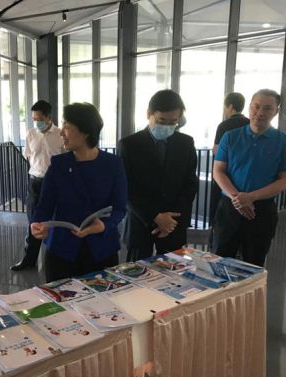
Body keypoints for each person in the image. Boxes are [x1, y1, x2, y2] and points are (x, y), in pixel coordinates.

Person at [30, 102, 127, 282]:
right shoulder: (58, 164)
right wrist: (36, 223)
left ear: (85, 131)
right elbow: (45, 205)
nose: (61, 132)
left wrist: (105, 225)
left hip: (101, 248)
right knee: (60, 297)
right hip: (62, 249)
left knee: (103, 297)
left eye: (66, 126)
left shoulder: (113, 164)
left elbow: (120, 207)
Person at [213, 89, 286, 266]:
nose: (260, 112)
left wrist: (251, 197)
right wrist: (238, 198)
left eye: (267, 108)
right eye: (256, 107)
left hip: (261, 210)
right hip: (230, 206)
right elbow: (218, 171)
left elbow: (285, 180)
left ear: (276, 111)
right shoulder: (230, 137)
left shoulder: (285, 142)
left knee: (254, 264)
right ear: (249, 107)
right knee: (220, 261)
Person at [119, 90, 198, 261]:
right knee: (136, 272)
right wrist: (155, 217)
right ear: (149, 114)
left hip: (173, 225)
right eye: (162, 121)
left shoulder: (186, 143)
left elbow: (190, 184)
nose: (167, 126)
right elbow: (126, 189)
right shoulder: (129, 145)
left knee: (174, 272)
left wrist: (170, 221)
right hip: (140, 222)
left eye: (173, 122)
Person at [11, 100, 63, 271]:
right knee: (33, 222)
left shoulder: (60, 135)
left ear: (49, 117)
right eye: (34, 119)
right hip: (35, 182)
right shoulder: (31, 134)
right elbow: (29, 156)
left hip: (54, 184)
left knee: (54, 221)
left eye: (40, 119)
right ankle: (29, 259)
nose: (37, 123)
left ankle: (55, 257)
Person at [209, 92, 250, 228]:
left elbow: (217, 151)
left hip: (225, 173)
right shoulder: (250, 124)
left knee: (222, 207)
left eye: (225, 107)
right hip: (244, 174)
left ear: (230, 107)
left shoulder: (224, 126)